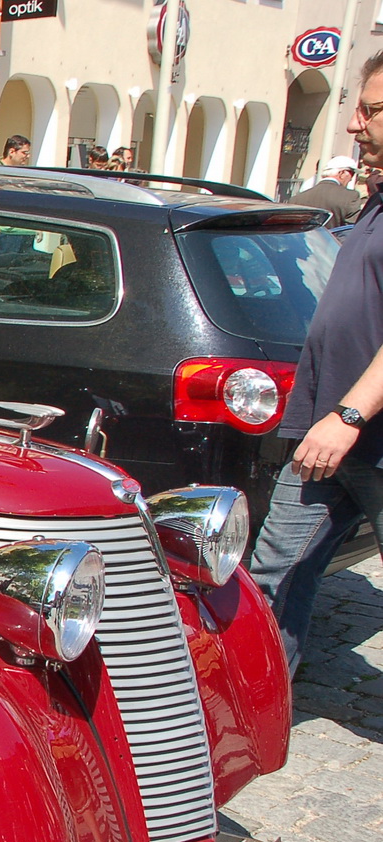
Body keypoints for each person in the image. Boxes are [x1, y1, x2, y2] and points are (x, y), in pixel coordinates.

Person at [248, 49, 383, 677]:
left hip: (360, 432)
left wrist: (351, 413)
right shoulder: (376, 200)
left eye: (373, 110)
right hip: (327, 435)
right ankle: (259, 711)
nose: (356, 125)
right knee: (274, 569)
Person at [289, 155, 364, 226]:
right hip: (333, 239)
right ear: (342, 173)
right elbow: (352, 228)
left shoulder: (296, 199)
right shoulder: (350, 197)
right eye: (352, 174)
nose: (351, 179)